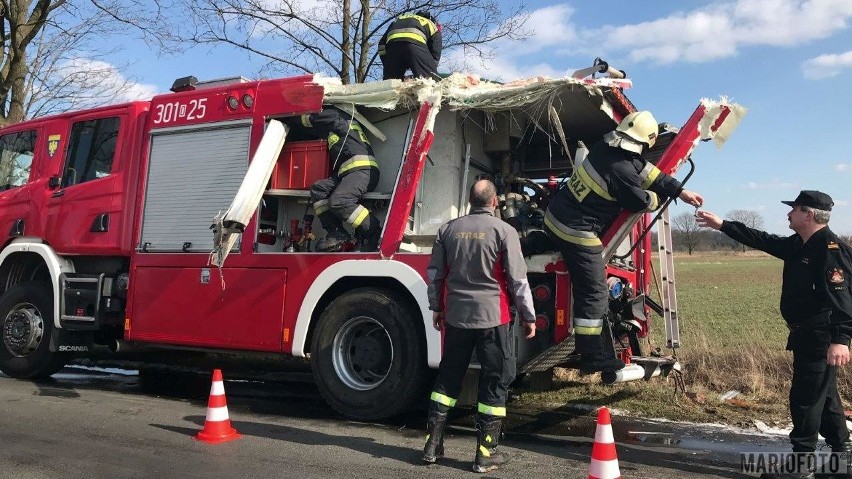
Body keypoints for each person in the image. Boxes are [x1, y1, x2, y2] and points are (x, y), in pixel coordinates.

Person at [697, 191, 852, 479]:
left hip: (821, 336)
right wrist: (723, 225)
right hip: (806, 335)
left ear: (808, 214)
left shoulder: (830, 250)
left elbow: (844, 301)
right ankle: (843, 462)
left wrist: (841, 339)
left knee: (805, 399)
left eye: (793, 210)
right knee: (825, 397)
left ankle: (800, 463)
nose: (788, 214)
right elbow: (763, 239)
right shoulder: (799, 244)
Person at [544, 110, 703, 374]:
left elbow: (648, 172)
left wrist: (680, 191)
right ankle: (592, 355)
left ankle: (592, 349)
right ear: (645, 141)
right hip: (576, 230)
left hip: (555, 218)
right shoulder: (622, 170)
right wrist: (658, 199)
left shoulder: (607, 147)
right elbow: (639, 201)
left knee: (593, 288)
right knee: (595, 291)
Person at [423, 179, 536, 473]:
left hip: (456, 317)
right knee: (495, 379)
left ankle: (432, 445)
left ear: (469, 200)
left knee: (448, 378)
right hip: (493, 318)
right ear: (494, 201)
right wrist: (529, 316)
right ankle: (485, 454)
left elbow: (435, 273)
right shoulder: (505, 231)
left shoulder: (447, 230)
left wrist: (437, 307)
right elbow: (517, 280)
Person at [284, 106, 381, 252]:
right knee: (319, 189)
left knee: (339, 201)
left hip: (363, 171)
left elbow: (319, 118)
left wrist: (290, 115)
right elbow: (315, 129)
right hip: (349, 173)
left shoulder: (338, 115)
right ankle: (336, 232)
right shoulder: (334, 127)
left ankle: (374, 231)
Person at [378, 11, 442, 81]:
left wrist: (388, 63)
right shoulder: (432, 25)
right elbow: (435, 54)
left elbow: (381, 46)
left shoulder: (399, 19)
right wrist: (428, 67)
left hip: (392, 48)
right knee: (430, 80)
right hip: (415, 46)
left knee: (390, 83)